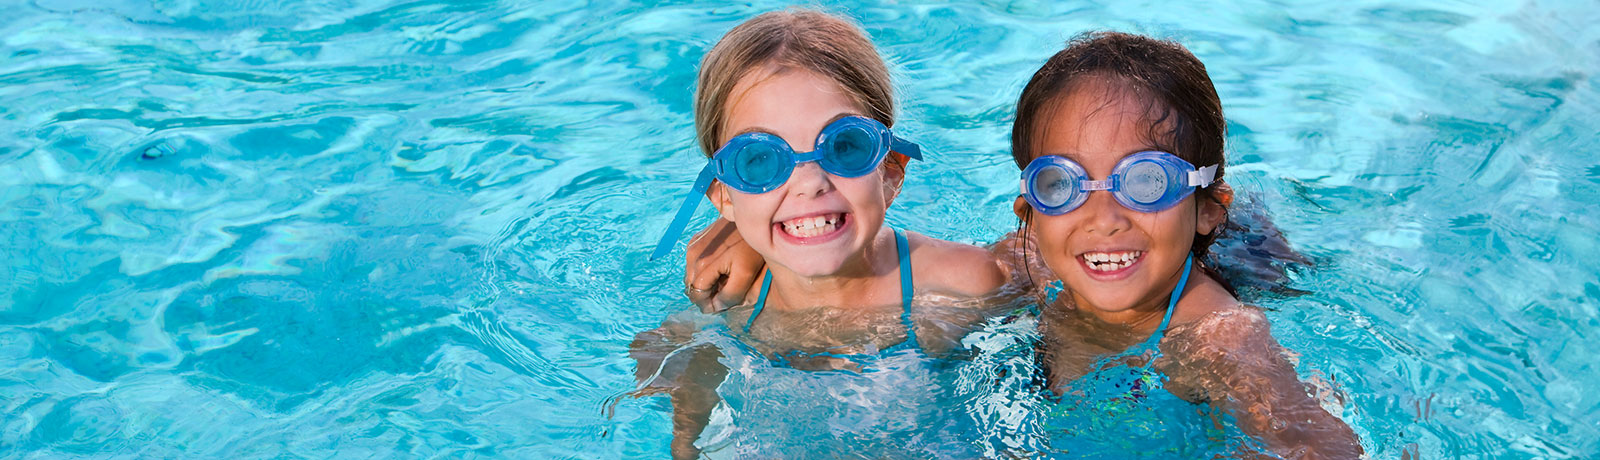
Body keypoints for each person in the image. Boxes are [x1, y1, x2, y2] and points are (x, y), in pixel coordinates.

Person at [681, 31, 1364, 459]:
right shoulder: (1040, 268)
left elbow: (1313, 440)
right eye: (1064, 186)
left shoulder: (1222, 338)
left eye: (1145, 182)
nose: (1103, 218)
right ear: (1030, 215)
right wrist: (756, 240)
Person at [630, 9, 1019, 459]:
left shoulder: (961, 283)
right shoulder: (729, 310)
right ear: (724, 197)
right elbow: (669, 356)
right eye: (759, 159)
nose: (810, 181)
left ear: (890, 171)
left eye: (845, 146)